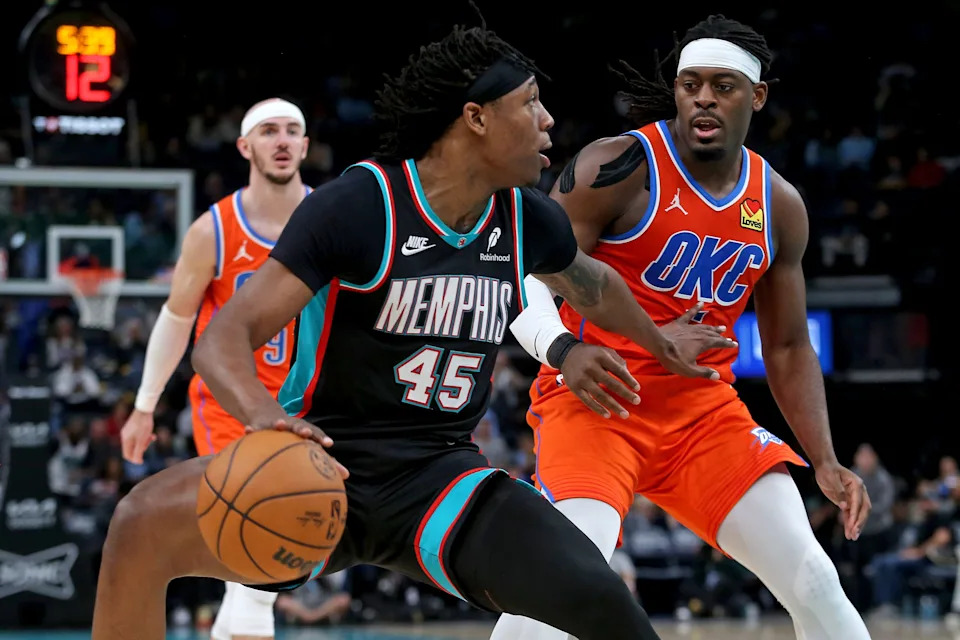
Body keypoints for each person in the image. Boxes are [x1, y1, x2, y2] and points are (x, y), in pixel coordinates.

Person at [91, 19, 736, 640]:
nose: (548, 122)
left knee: (602, 601)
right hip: (322, 467)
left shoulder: (525, 219)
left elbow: (593, 285)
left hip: (440, 479)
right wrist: (263, 420)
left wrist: (658, 341)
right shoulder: (359, 205)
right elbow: (221, 339)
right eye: (531, 103)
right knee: (137, 524)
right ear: (476, 117)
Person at [499, 14, 873, 640]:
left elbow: (784, 346)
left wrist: (826, 458)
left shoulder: (778, 204)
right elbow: (522, 277)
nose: (703, 97)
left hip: (702, 415)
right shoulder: (615, 166)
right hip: (598, 399)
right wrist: (562, 351)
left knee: (814, 578)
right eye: (690, 83)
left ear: (756, 97)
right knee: (566, 582)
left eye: (723, 86)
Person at [119, 97, 312, 640]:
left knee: (260, 569)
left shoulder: (332, 219)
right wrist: (144, 407)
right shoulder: (213, 231)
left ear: (305, 145)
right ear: (244, 146)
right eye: (268, 130)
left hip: (309, 404)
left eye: (292, 131)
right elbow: (176, 320)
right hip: (233, 406)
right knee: (259, 542)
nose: (281, 140)